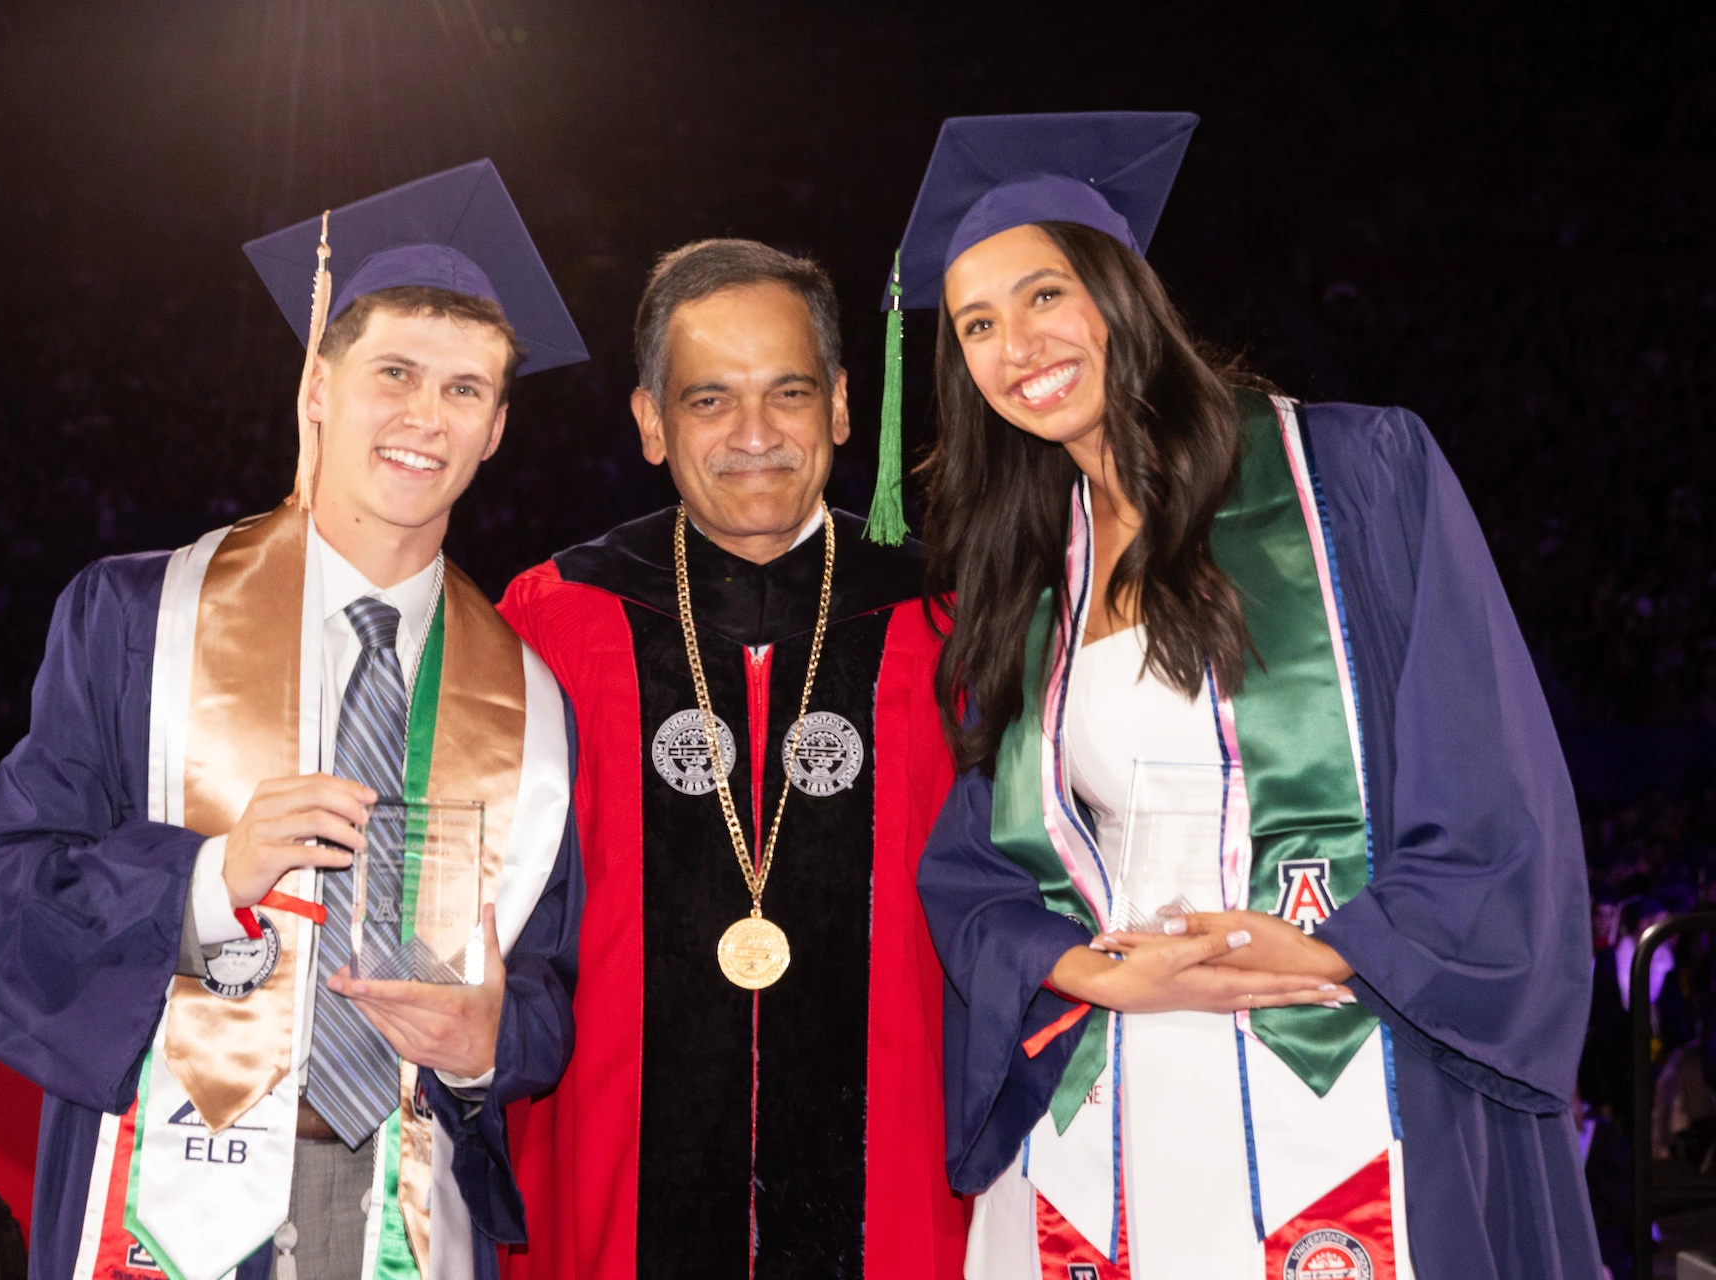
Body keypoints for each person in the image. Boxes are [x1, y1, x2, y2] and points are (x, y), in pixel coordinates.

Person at [900, 113, 1601, 1277]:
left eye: (1044, 293)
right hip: (1102, 1098)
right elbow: (979, 868)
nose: (1015, 344)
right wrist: (1086, 968)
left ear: (1124, 293)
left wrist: (1335, 952)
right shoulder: (1025, 571)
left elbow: (1495, 791)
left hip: (1331, 1067)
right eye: (977, 322)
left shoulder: (1356, 481)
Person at [0, 160, 587, 1280]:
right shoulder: (140, 620)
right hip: (164, 1190)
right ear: (318, 387)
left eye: (465, 389)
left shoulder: (528, 697)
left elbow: (546, 989)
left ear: (497, 429)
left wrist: (492, 1045)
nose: (426, 415)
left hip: (403, 1213)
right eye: (394, 371)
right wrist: (205, 875)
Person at [496, 239, 965, 1278]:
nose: (755, 434)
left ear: (843, 406)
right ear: (652, 424)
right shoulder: (556, 619)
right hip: (619, 1174)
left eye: (789, 392)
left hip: (895, 1180)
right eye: (709, 401)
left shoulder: (948, 623)